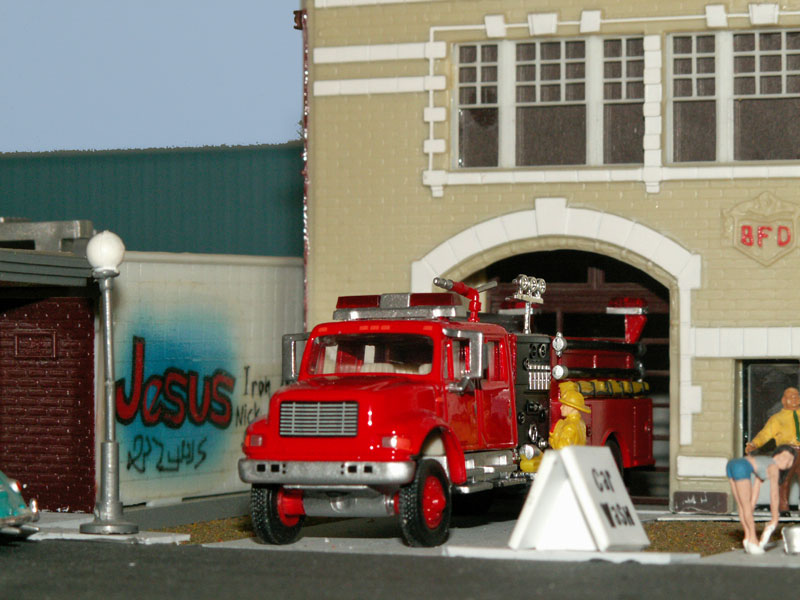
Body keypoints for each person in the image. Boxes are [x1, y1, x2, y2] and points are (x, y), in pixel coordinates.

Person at [726, 445, 797, 554]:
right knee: (745, 507)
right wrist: (774, 517)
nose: (785, 461)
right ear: (776, 455)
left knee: (742, 506)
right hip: (741, 467)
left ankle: (747, 538)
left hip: (731, 465)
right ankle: (753, 540)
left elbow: (756, 488)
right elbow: (774, 495)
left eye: (789, 460)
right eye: (783, 457)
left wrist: (752, 504)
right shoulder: (773, 467)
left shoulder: (765, 462)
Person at [745, 387, 800, 515]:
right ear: (783, 400)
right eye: (792, 397)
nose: (795, 398)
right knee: (784, 480)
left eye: (797, 396)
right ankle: (783, 507)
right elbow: (765, 434)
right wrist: (754, 443)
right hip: (787, 452)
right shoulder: (777, 419)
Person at [549, 381, 591, 450]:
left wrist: (553, 436)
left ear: (572, 407)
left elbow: (561, 449)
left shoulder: (569, 426)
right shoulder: (581, 423)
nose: (561, 407)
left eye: (564, 405)